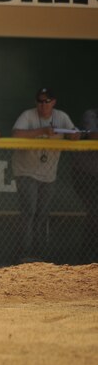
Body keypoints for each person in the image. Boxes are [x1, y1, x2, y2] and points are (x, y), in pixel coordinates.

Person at [11, 88, 80, 262]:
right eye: (40, 101)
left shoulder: (61, 116)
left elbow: (75, 135)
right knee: (29, 211)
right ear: (36, 103)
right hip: (26, 170)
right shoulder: (28, 115)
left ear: (53, 102)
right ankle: (24, 254)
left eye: (47, 101)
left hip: (48, 173)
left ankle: (39, 254)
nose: (43, 104)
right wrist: (42, 131)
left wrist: (72, 134)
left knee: (42, 214)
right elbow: (16, 134)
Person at [72, 108, 98, 263]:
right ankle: (85, 256)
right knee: (94, 212)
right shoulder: (91, 114)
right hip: (84, 174)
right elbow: (94, 136)